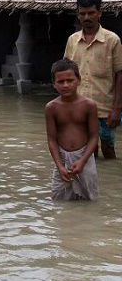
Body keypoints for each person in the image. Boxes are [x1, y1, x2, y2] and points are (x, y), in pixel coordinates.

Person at [64, 0, 122, 159]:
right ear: (78, 15)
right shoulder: (72, 41)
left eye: (91, 13)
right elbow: (65, 74)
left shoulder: (112, 40)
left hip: (105, 107)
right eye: (82, 13)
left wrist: (117, 108)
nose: (87, 17)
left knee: (108, 149)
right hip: (78, 107)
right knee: (88, 153)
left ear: (99, 13)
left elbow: (120, 74)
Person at [45, 59, 99, 200]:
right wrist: (60, 166)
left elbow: (94, 137)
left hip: (84, 156)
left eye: (70, 80)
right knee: (58, 199)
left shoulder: (89, 105)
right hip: (62, 158)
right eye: (61, 82)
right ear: (54, 84)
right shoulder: (51, 108)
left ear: (79, 80)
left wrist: (82, 160)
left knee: (89, 198)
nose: (66, 85)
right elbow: (52, 140)